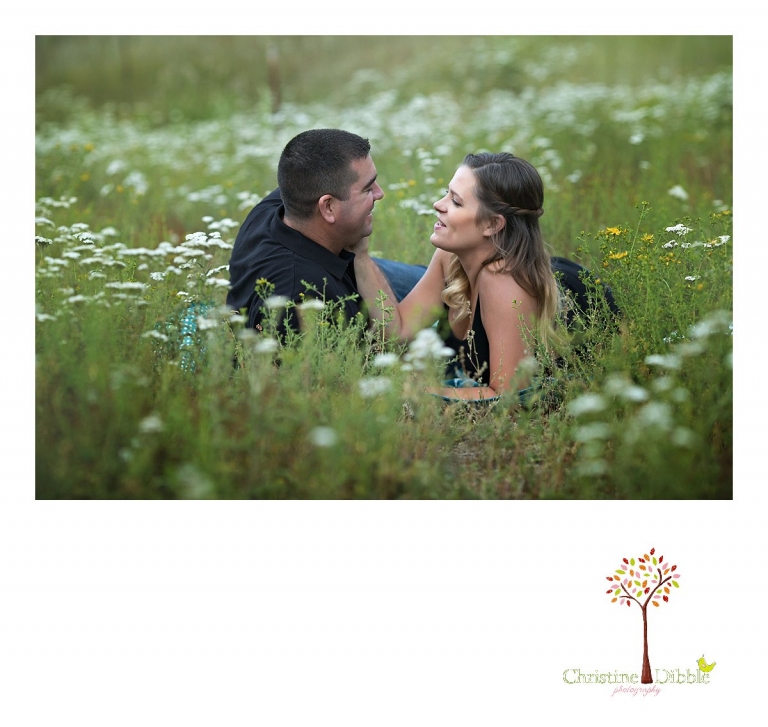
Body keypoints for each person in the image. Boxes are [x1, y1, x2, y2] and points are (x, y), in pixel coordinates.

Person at [349, 152, 567, 402]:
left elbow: (508, 395)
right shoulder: (449, 256)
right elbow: (400, 330)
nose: (438, 204)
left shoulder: (504, 282)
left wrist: (410, 392)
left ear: (492, 225)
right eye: (446, 193)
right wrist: (360, 255)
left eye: (456, 201)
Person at [226, 128, 423, 334]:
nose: (380, 193)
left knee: (446, 283)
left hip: (352, 270)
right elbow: (380, 353)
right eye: (368, 188)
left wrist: (360, 255)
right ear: (328, 207)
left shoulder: (283, 205)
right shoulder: (306, 302)